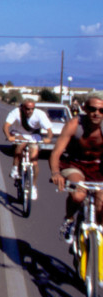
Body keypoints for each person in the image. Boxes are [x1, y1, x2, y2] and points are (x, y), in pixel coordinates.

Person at [49, 91, 103, 242]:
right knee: (79, 195)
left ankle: (95, 240)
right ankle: (69, 220)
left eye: (101, 110)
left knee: (101, 205)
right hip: (74, 163)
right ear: (85, 108)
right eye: (92, 109)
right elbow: (56, 152)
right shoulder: (74, 124)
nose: (96, 113)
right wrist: (55, 173)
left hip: (97, 167)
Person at [3, 100, 53, 198]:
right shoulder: (15, 112)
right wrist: (9, 136)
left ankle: (33, 186)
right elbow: (6, 126)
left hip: (33, 136)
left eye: (32, 109)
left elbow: (49, 130)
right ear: (22, 108)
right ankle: (15, 169)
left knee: (34, 161)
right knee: (19, 147)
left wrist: (49, 138)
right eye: (27, 109)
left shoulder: (40, 114)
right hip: (19, 134)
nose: (30, 111)